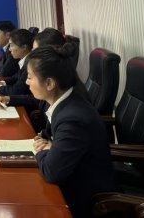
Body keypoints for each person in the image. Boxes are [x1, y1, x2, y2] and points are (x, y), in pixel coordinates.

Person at [28, 46, 117, 217]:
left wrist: (41, 151)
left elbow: (51, 172)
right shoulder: (66, 100)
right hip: (73, 176)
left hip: (86, 199)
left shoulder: (72, 119)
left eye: (30, 77)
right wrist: (51, 146)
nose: (27, 82)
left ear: (49, 83)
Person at [0, 29, 33, 96]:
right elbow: (16, 77)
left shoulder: (30, 65)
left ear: (24, 47)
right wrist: (3, 82)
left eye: (11, 45)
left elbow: (16, 91)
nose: (9, 49)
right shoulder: (24, 61)